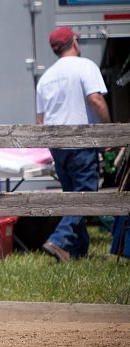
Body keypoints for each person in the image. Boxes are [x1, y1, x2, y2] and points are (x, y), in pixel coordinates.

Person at [36, 26, 111, 262]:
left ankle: (76, 251)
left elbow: (41, 120)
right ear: (75, 43)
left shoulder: (45, 77)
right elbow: (96, 100)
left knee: (72, 196)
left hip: (57, 145)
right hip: (81, 141)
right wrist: (109, 132)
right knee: (86, 195)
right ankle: (58, 240)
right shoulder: (85, 66)